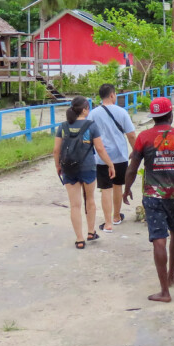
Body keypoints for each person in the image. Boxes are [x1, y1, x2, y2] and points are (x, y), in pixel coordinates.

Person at [123, 96, 174, 303]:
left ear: (154, 117)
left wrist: (126, 189)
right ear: (171, 115)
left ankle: (164, 291)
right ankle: (170, 274)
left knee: (159, 239)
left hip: (153, 197)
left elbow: (133, 168)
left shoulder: (143, 138)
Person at [53, 95, 115, 249]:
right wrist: (110, 164)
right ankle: (91, 231)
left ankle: (79, 239)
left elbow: (56, 150)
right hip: (88, 167)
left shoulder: (63, 126)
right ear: (85, 109)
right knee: (90, 200)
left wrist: (58, 166)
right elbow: (100, 149)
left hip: (68, 168)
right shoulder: (91, 126)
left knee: (75, 205)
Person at [89, 84, 136, 233]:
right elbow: (131, 135)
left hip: (101, 156)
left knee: (105, 189)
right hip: (120, 155)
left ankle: (107, 223)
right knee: (118, 185)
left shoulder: (93, 114)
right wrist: (136, 151)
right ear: (112, 95)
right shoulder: (122, 112)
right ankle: (116, 216)